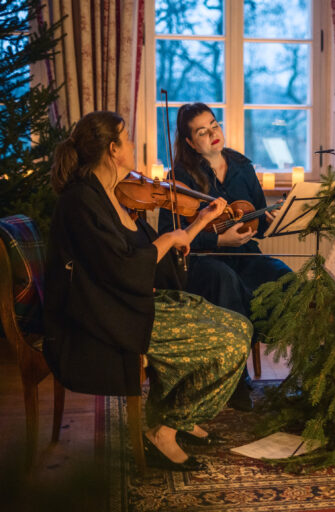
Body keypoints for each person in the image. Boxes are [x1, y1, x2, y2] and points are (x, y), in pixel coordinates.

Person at [43, 111, 251, 471]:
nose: (131, 145)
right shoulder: (81, 201)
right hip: (104, 317)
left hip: (131, 301)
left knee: (236, 325)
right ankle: (167, 430)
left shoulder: (109, 193)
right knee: (230, 342)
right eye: (125, 139)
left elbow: (139, 256)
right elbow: (123, 266)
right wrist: (170, 237)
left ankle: (172, 415)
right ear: (112, 150)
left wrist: (196, 222)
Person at [158, 103, 292, 407]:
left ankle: (302, 364)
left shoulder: (243, 166)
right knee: (225, 280)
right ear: (190, 143)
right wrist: (219, 239)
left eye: (214, 125)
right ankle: (234, 377)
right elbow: (170, 233)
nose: (212, 134)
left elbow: (256, 223)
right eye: (201, 131)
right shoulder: (180, 176)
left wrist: (269, 221)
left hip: (244, 254)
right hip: (203, 260)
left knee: (281, 275)